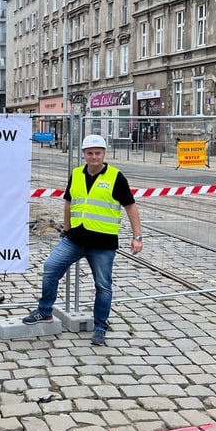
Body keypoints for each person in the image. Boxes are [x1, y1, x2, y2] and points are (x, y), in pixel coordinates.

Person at [23, 134, 143, 345]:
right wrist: (67, 228)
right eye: (90, 153)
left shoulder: (116, 177)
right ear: (84, 155)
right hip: (75, 239)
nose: (94, 156)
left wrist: (137, 237)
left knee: (103, 286)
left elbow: (130, 207)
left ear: (104, 154)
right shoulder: (77, 174)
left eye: (98, 153)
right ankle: (45, 311)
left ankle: (100, 327)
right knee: (50, 268)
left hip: (103, 244)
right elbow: (69, 203)